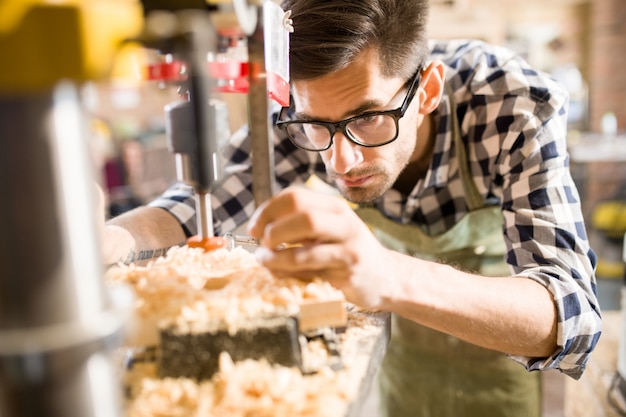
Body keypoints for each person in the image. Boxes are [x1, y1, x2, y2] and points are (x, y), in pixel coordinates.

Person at [103, 0, 602, 415]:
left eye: (367, 120)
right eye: (315, 126)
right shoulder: (305, 114)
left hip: (502, 379)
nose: (341, 160)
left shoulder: (510, 103)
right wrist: (102, 245)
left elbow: (573, 318)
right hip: (399, 375)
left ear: (426, 90)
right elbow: (194, 205)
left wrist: (387, 274)